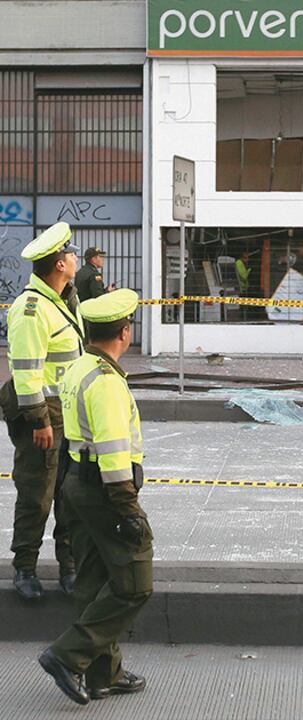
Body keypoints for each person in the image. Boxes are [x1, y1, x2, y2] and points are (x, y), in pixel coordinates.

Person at [39, 288, 149, 705]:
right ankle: (68, 656)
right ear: (124, 332)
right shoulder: (106, 384)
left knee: (92, 579)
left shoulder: (78, 367)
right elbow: (113, 453)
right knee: (134, 583)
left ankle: (105, 674)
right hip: (104, 491)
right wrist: (129, 509)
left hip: (76, 485)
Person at [2, 222, 81, 600]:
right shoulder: (32, 309)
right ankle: (25, 569)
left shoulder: (64, 300)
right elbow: (26, 372)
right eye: (70, 252)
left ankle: (69, 568)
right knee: (37, 494)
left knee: (69, 495)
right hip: (44, 416)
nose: (75, 256)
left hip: (69, 415)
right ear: (59, 264)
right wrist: (39, 421)